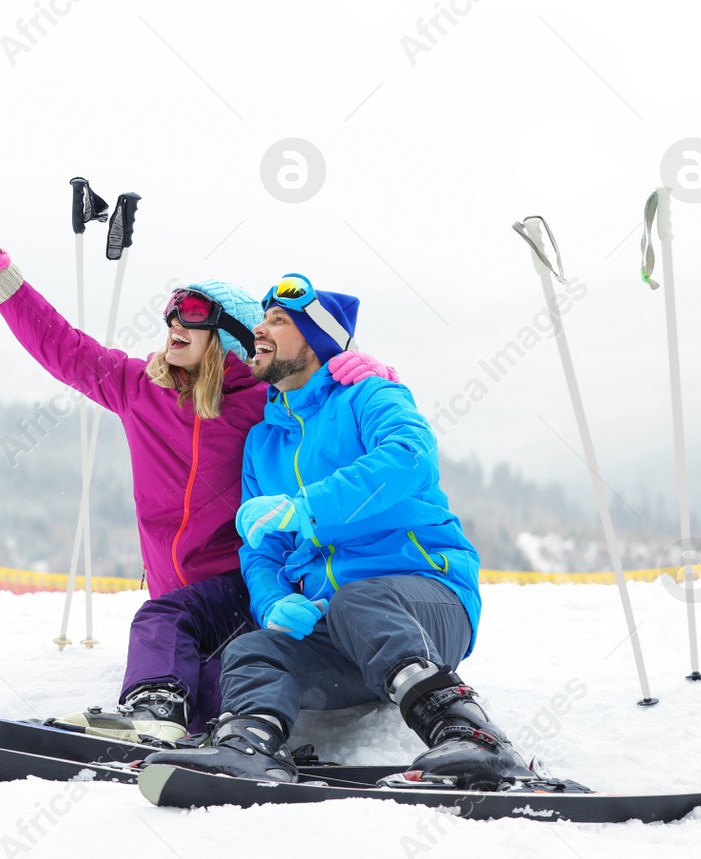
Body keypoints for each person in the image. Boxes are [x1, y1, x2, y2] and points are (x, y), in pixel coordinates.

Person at [0, 190, 394, 742]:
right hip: (173, 594)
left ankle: (213, 734)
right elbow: (60, 345)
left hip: (245, 585)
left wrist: (363, 372)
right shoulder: (139, 388)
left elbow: (318, 404)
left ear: (227, 336)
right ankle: (155, 714)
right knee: (163, 626)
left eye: (194, 313)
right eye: (173, 310)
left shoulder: (260, 401)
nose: (174, 321)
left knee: (212, 669)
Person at [146, 273, 531, 789]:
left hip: (429, 603)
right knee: (255, 649)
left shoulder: (370, 395)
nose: (259, 330)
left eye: (278, 320)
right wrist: (272, 601)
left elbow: (410, 457)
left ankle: (472, 736)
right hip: (347, 637)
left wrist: (308, 508)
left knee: (359, 602)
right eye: (262, 318)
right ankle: (248, 745)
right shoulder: (264, 442)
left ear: (314, 339)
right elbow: (263, 548)